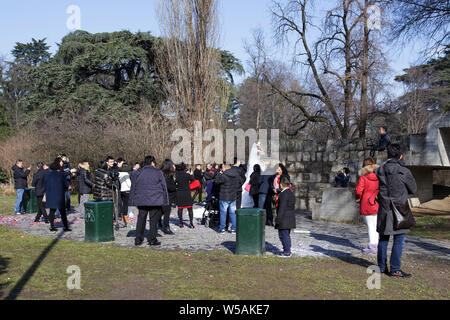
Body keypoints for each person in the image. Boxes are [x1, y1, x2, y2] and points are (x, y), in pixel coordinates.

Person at [375, 144, 417, 278]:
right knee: (399, 239)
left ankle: (381, 267)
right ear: (400, 156)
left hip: (384, 208)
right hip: (399, 208)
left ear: (388, 155)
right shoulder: (404, 171)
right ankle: (395, 269)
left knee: (383, 239)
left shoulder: (379, 170)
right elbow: (413, 189)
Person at [130, 156, 168, 246]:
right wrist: (165, 200)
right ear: (152, 163)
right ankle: (152, 239)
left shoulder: (138, 172)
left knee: (141, 218)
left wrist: (132, 199)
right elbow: (164, 187)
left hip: (141, 199)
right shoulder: (158, 172)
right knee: (153, 220)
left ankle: (138, 239)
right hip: (155, 199)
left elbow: (133, 186)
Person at [356, 158, 380, 254]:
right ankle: (377, 245)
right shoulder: (379, 177)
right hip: (377, 202)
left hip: (366, 203)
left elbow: (358, 191)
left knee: (370, 225)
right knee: (376, 225)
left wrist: (359, 197)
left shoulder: (363, 178)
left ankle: (372, 245)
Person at [214, 164, 243, 234]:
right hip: (233, 196)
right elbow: (241, 182)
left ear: (224, 168)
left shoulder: (223, 175)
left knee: (223, 213)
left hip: (224, 196)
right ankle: (234, 229)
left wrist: (218, 174)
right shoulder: (236, 175)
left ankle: (222, 228)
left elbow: (216, 182)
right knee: (233, 213)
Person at [45, 158, 71, 232]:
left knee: (52, 211)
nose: (62, 163)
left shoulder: (48, 174)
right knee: (63, 212)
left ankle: (52, 226)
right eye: (61, 162)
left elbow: (45, 184)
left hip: (51, 194)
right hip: (59, 195)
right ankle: (65, 226)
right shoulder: (61, 175)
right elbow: (66, 184)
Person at [275, 176, 296, 258]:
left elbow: (282, 208)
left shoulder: (283, 194)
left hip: (284, 218)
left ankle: (286, 251)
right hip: (290, 218)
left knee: (283, 235)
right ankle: (287, 250)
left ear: (281, 185)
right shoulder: (290, 192)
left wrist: (278, 220)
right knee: (286, 235)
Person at [175, 163, 195, 228]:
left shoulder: (176, 175)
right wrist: (191, 174)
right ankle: (191, 223)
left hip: (179, 193)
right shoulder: (187, 175)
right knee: (190, 208)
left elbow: (174, 183)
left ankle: (181, 223)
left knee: (180, 208)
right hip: (186, 193)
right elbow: (193, 179)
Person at [160, 159, 176, 235]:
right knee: (166, 212)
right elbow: (168, 186)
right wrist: (175, 187)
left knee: (162, 211)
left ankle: (160, 222)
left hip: (167, 196)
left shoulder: (167, 174)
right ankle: (166, 227)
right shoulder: (166, 176)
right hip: (166, 196)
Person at [117, 158, 132, 222]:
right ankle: (125, 217)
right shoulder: (126, 174)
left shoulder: (119, 173)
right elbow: (129, 183)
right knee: (126, 204)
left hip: (121, 190)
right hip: (127, 190)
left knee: (122, 204)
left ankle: (121, 215)